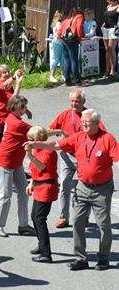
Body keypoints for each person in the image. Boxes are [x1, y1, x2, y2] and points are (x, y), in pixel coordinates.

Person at [28, 109, 118, 271]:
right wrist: (36, 144)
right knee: (77, 222)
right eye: (82, 122)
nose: (83, 125)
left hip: (102, 189)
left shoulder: (107, 139)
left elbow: (117, 160)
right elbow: (55, 144)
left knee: (103, 225)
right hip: (82, 187)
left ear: (97, 124)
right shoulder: (79, 137)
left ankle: (103, 259)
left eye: (87, 123)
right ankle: (80, 258)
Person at [0, 96, 35, 238]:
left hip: (15, 162)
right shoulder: (18, 124)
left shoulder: (11, 116)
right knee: (5, 195)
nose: (24, 110)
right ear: (16, 107)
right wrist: (58, 131)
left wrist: (27, 111)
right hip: (5, 162)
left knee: (24, 192)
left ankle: (23, 225)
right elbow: (37, 133)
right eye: (23, 107)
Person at [48, 88, 89, 228]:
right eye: (71, 101)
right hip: (66, 156)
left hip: (83, 157)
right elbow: (49, 130)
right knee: (64, 186)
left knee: (85, 188)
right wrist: (58, 131)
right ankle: (63, 217)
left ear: (83, 101)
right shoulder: (65, 114)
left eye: (77, 101)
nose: (73, 104)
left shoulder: (90, 116)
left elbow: (102, 134)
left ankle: (84, 217)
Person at [26, 127, 59, 264]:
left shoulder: (47, 152)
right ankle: (41, 246)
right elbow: (35, 172)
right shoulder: (39, 149)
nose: (28, 142)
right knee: (35, 216)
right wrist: (31, 183)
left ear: (37, 140)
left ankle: (46, 254)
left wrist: (30, 156)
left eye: (30, 139)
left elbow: (41, 167)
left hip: (46, 187)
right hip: (40, 186)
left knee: (39, 219)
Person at [56, 7, 84, 85]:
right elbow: (79, 28)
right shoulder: (79, 17)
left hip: (63, 39)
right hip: (72, 40)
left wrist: (59, 36)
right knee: (74, 60)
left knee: (67, 60)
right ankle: (77, 81)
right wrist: (81, 37)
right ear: (79, 12)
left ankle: (67, 80)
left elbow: (61, 28)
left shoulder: (67, 17)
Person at [101, 0, 118, 79]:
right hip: (105, 29)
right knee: (107, 49)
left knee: (111, 49)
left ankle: (112, 70)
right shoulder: (108, 6)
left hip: (113, 29)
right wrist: (103, 24)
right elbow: (107, 17)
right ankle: (107, 71)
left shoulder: (118, 7)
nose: (107, 1)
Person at [48, 11, 64, 83]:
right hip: (59, 42)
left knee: (60, 60)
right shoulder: (59, 23)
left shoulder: (54, 23)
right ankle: (52, 75)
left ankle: (62, 75)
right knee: (58, 60)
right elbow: (59, 34)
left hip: (57, 42)